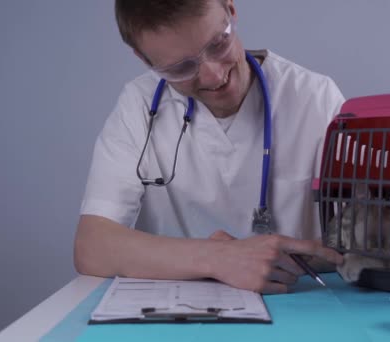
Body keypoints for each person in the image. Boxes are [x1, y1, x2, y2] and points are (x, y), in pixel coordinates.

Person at [74, 0, 346, 294]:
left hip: (299, 303)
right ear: (144, 59)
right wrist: (220, 259)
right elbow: (92, 247)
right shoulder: (139, 105)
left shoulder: (315, 98)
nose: (214, 76)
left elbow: (365, 234)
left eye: (218, 44)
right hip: (178, 312)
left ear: (230, 9)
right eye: (182, 68)